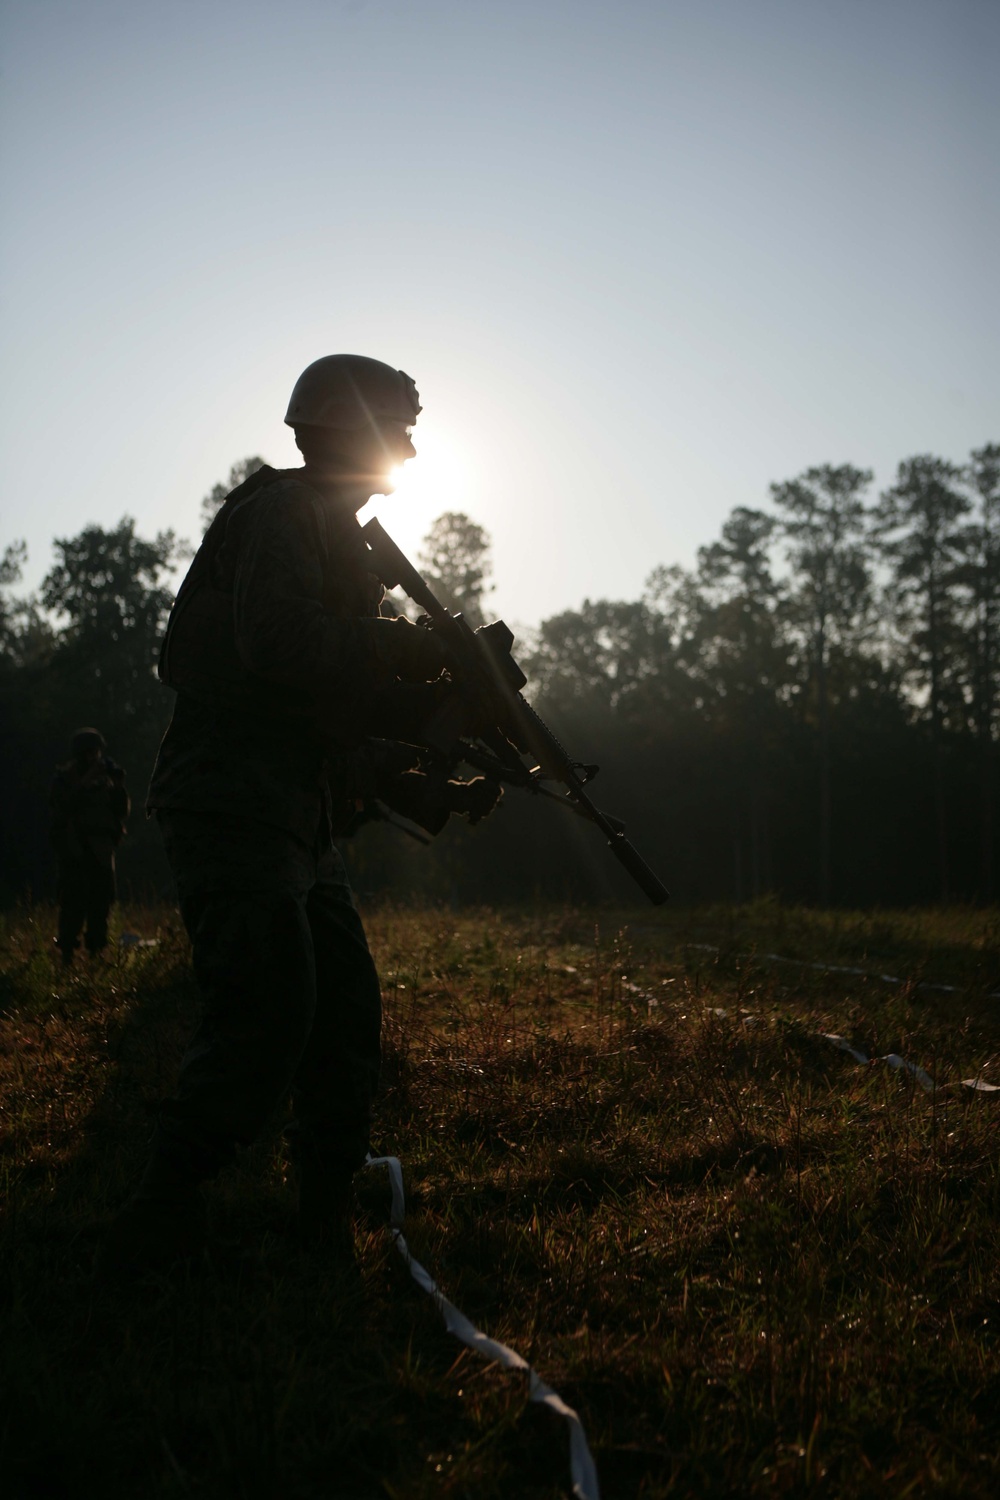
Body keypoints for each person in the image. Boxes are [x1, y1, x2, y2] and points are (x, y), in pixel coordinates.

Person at [101, 354, 499, 1274]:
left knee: (346, 1011)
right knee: (269, 1006)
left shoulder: (340, 538)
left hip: (294, 818)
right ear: (343, 429)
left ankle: (318, 1205)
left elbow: (331, 719)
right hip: (232, 804)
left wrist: (427, 772)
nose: (407, 443)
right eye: (394, 425)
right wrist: (405, 650)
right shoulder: (285, 512)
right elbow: (276, 645)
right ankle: (159, 1206)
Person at [49, 728, 129, 963]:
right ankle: (67, 952)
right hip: (74, 851)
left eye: (96, 753)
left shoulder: (106, 779)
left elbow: (121, 812)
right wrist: (84, 783)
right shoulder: (65, 779)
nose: (93, 758)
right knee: (72, 904)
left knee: (101, 904)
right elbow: (61, 809)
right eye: (89, 753)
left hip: (101, 851)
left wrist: (117, 787)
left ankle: (96, 950)